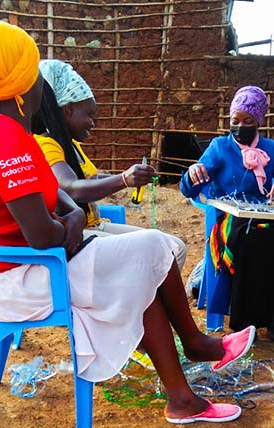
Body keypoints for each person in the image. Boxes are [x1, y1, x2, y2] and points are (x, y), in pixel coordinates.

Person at [0, 19, 256, 425]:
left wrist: (72, 215)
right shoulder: (3, 138)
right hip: (12, 277)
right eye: (34, 72)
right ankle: (193, 347)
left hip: (21, 264)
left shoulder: (3, 129)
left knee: (142, 266)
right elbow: (43, 235)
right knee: (151, 249)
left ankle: (183, 393)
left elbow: (55, 191)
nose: (41, 83)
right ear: (24, 82)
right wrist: (73, 222)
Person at [180, 85, 274, 342]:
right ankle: (247, 319)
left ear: (259, 121)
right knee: (251, 237)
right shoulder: (220, 147)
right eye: (235, 120)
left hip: (265, 212)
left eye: (248, 121)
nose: (240, 126)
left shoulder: (271, 148)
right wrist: (192, 173)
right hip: (229, 217)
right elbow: (188, 187)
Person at [32, 59, 187, 270]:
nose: (92, 123)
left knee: (174, 248)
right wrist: (123, 179)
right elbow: (71, 188)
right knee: (165, 250)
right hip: (78, 236)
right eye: (89, 115)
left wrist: (130, 176)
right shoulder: (46, 144)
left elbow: (90, 178)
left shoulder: (69, 145)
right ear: (68, 110)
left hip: (95, 226)